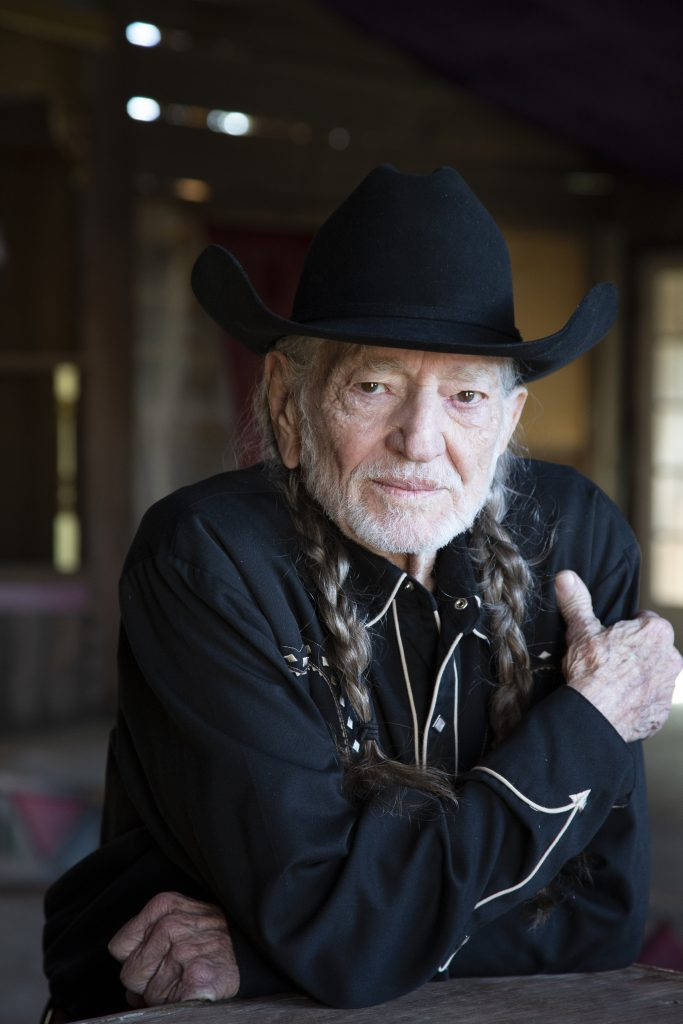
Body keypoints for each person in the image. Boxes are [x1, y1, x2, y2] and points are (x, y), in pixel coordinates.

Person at [42, 165, 681, 1021]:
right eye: (372, 387)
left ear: (509, 419)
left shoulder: (577, 536)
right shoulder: (207, 559)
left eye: (463, 396)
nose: (419, 441)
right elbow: (344, 933)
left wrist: (276, 952)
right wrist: (588, 725)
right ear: (286, 402)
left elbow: (600, 921)